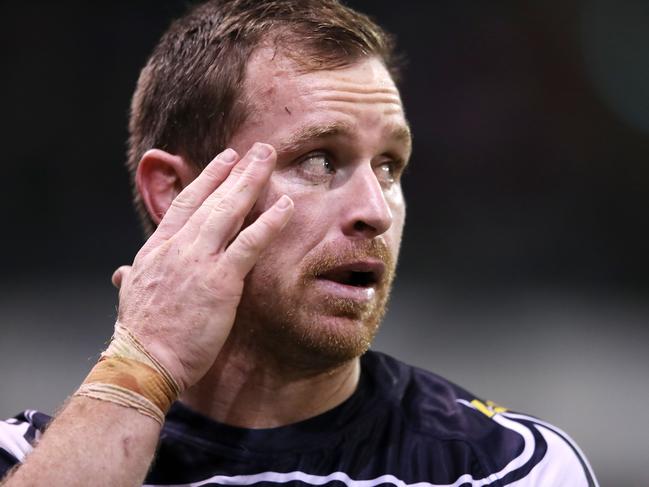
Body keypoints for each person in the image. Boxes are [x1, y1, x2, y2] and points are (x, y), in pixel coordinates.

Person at [0, 1, 598, 486]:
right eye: (319, 159)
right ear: (176, 192)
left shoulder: (506, 469)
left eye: (389, 166)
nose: (374, 212)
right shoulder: (22, 459)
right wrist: (140, 366)